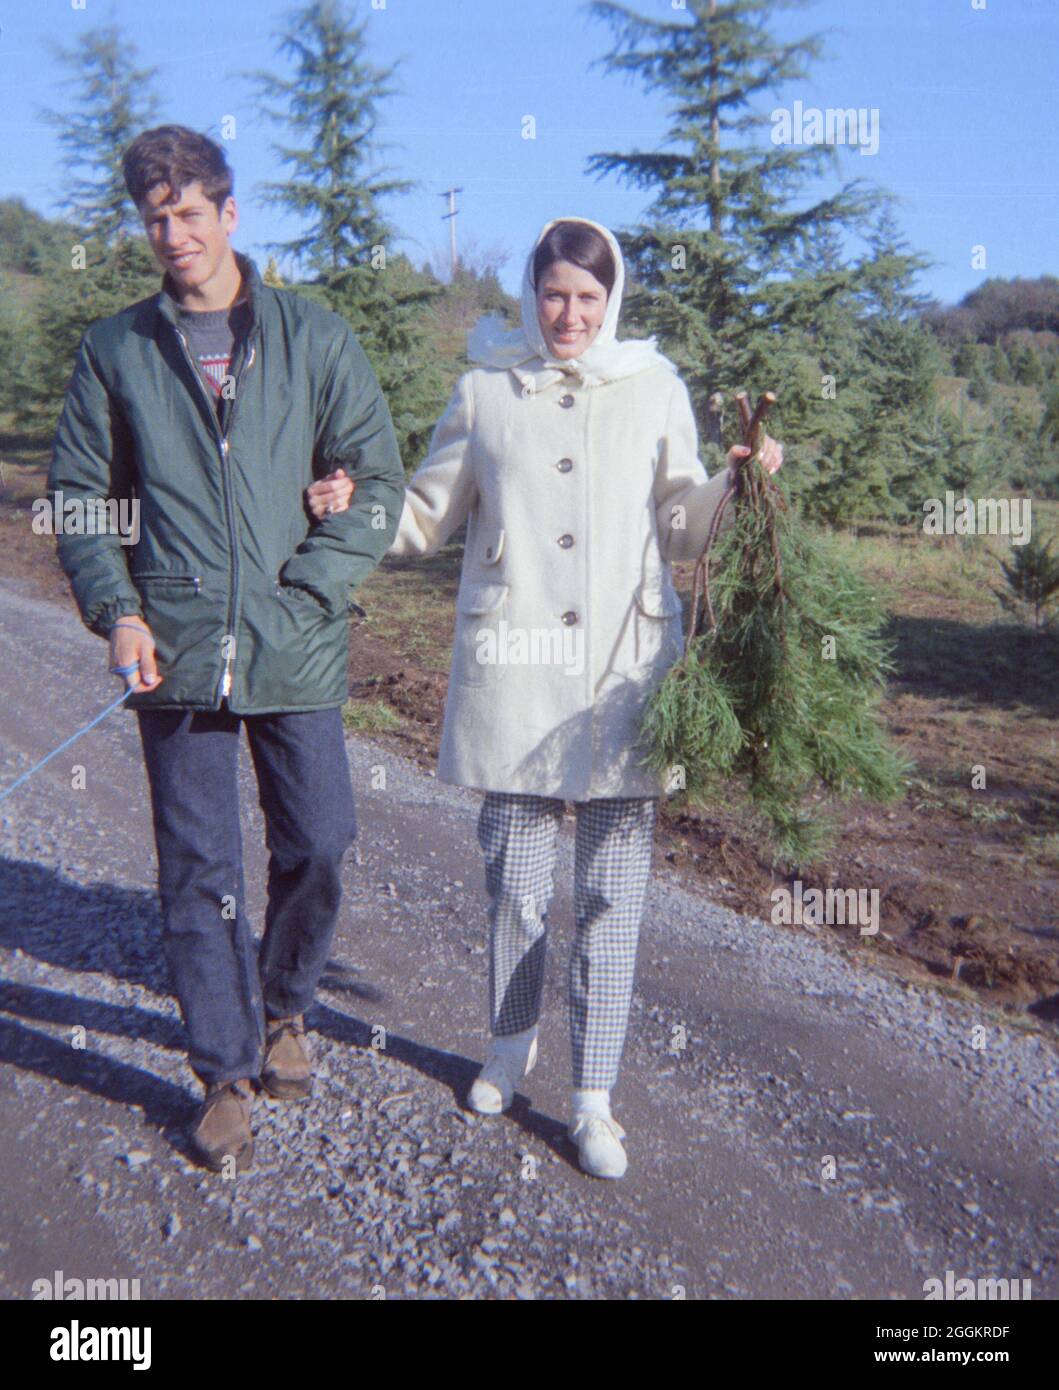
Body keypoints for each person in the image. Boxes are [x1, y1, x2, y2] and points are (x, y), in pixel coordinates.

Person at [373, 216, 783, 1178]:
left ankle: (594, 1098)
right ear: (531, 292)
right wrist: (334, 506)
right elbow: (425, 516)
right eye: (554, 293)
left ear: (613, 302)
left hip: (622, 678)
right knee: (514, 886)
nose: (568, 314)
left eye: (588, 299)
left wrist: (735, 485)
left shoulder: (653, 389)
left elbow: (683, 525)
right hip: (513, 677)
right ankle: (507, 1051)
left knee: (612, 894)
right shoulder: (485, 389)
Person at [46, 125, 405, 1172]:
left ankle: (287, 1005)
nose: (173, 235)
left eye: (190, 214)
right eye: (155, 219)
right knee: (200, 870)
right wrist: (116, 607)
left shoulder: (312, 336)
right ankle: (225, 1072)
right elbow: (78, 498)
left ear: (229, 214)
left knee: (322, 841)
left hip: (294, 646)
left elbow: (375, 482)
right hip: (178, 651)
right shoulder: (119, 349)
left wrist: (313, 587)